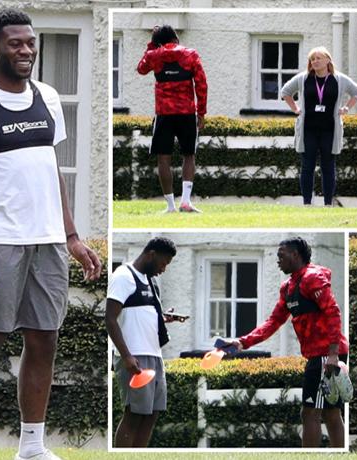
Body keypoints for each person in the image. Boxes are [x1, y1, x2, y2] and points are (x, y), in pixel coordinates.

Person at [0, 9, 102, 460]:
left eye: (30, 43)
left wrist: (71, 235)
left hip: (48, 240)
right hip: (0, 240)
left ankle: (32, 446)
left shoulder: (48, 98)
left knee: (44, 338)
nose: (26, 50)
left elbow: (53, 169)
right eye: (15, 43)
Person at [228, 237, 349, 447]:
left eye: (281, 256)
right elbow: (274, 321)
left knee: (310, 412)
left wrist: (332, 354)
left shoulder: (313, 278)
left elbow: (333, 312)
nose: (278, 261)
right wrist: (242, 342)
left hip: (326, 354)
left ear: (295, 255)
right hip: (319, 355)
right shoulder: (288, 287)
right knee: (331, 413)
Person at [106, 237, 180, 447]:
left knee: (152, 414)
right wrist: (127, 356)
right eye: (163, 263)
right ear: (151, 255)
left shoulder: (149, 280)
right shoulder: (123, 276)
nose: (163, 269)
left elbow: (138, 312)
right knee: (134, 414)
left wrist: (164, 318)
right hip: (134, 356)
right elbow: (110, 318)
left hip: (155, 356)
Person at [137, 25, 207, 213]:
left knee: (163, 158)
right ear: (176, 38)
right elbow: (201, 84)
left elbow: (141, 69)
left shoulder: (154, 55)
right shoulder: (191, 54)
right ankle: (186, 201)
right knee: (189, 155)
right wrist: (201, 112)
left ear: (158, 42)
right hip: (186, 113)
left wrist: (151, 46)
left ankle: (170, 206)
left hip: (164, 114)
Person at [281, 47, 357, 207]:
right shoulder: (303, 78)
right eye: (312, 59)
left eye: (318, 58)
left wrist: (346, 108)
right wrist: (296, 109)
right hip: (308, 130)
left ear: (327, 60)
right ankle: (307, 204)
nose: (315, 62)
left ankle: (327, 204)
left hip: (330, 130)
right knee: (307, 166)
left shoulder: (339, 79)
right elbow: (285, 92)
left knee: (328, 167)